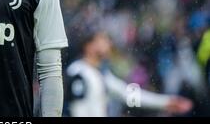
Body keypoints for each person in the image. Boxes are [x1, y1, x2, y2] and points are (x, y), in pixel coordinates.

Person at [65, 31, 193, 117]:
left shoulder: (101, 75)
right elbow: (76, 109)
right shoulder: (78, 71)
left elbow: (130, 95)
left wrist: (167, 102)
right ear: (89, 46)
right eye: (102, 40)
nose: (109, 44)